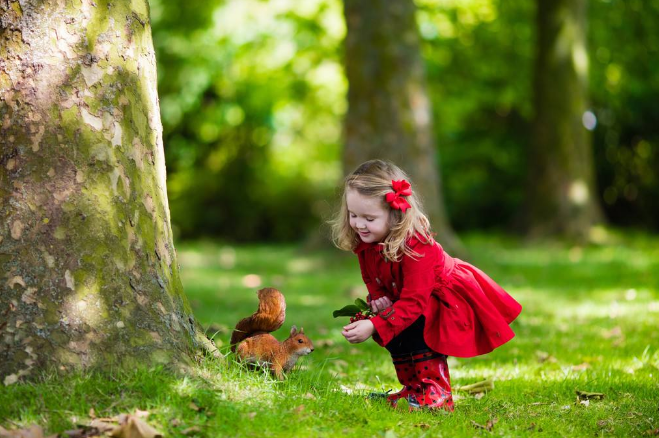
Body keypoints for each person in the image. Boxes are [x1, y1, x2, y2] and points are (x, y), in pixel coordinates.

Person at [330, 159, 522, 411]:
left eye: (369, 218)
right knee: (397, 334)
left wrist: (374, 324)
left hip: (438, 296)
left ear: (396, 213)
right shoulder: (366, 241)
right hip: (408, 299)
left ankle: (436, 391)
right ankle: (413, 388)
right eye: (353, 215)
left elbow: (414, 302)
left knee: (419, 330)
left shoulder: (418, 246)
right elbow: (371, 276)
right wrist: (379, 298)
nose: (359, 224)